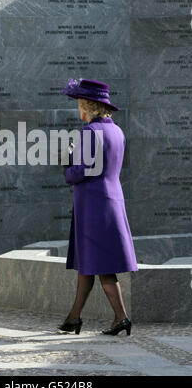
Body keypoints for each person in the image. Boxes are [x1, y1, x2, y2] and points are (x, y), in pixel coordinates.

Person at [57, 78, 138, 336]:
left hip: (93, 204)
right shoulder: (117, 131)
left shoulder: (90, 133)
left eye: (79, 105)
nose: (78, 111)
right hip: (110, 200)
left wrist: (66, 160)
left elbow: (79, 172)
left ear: (87, 106)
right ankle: (74, 318)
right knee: (89, 263)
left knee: (100, 266)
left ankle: (122, 317)